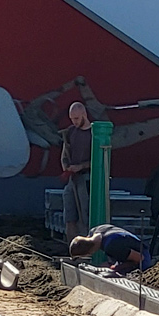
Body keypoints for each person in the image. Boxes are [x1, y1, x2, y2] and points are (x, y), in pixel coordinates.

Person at [60, 100, 93, 241]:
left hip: (86, 179)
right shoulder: (70, 132)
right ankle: (72, 250)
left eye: (77, 118)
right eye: (72, 119)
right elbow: (65, 154)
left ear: (84, 115)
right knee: (69, 216)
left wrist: (81, 166)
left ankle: (87, 249)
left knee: (84, 216)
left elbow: (99, 161)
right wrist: (66, 165)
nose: (74, 122)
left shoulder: (94, 134)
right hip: (72, 179)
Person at [69, 224, 146, 275]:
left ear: (89, 252)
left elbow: (140, 258)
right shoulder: (95, 230)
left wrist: (115, 268)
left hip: (143, 259)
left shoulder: (111, 246)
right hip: (131, 250)